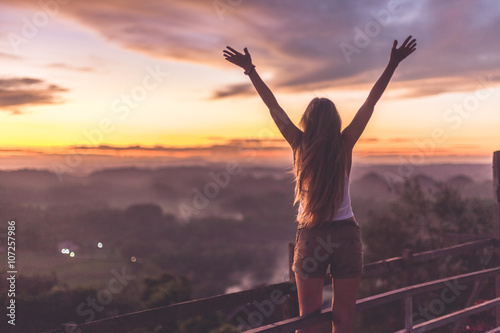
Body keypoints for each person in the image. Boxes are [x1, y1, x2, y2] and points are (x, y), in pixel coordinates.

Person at [223, 36, 417, 333]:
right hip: (347, 236)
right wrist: (392, 64)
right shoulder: (345, 143)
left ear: (309, 121)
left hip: (312, 235)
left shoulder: (299, 144)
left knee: (308, 321)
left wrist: (251, 71)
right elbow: (371, 102)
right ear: (335, 121)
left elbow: (273, 107)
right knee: (344, 321)